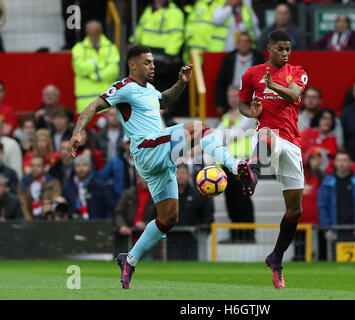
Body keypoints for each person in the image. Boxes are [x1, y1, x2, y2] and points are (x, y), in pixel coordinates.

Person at [68, 45, 248, 289]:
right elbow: (92, 106)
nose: (153, 66)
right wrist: (78, 133)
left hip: (157, 159)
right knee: (200, 127)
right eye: (147, 62)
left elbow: (165, 100)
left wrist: (182, 82)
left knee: (168, 217)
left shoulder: (150, 90)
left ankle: (129, 259)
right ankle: (238, 168)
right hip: (148, 148)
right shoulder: (124, 88)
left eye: (153, 62)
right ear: (133, 65)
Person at [237, 30, 309, 289]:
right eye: (280, 49)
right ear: (269, 49)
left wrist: (271, 86)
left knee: (295, 210)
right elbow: (242, 104)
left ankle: (276, 257)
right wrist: (252, 111)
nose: (286, 53)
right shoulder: (251, 74)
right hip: (269, 135)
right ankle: (253, 171)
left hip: (293, 143)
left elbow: (293, 94)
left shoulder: (299, 71)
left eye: (288, 49)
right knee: (266, 132)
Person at [216, 85, 255, 243]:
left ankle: (248, 234)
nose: (232, 99)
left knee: (242, 198)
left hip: (242, 162)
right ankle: (235, 234)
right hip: (227, 163)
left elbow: (233, 134)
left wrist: (228, 128)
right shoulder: (227, 117)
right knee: (230, 199)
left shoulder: (248, 114)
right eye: (230, 96)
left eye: (235, 96)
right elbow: (218, 137)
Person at [130, 0, 184, 92]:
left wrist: (170, 55)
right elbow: (140, 29)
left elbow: (176, 35)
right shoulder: (149, 10)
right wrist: (132, 42)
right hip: (147, 54)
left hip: (163, 58)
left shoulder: (174, 12)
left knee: (161, 91)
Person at [318, 149, 355, 242]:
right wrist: (327, 228)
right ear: (335, 162)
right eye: (339, 160)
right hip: (334, 231)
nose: (341, 163)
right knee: (333, 256)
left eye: (344, 160)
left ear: (350, 162)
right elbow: (322, 207)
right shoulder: (327, 183)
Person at [72, 20, 120, 113]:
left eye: (95, 33)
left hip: (106, 101)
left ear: (100, 33)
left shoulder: (111, 47)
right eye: (90, 34)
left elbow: (113, 71)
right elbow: (79, 68)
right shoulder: (79, 48)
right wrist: (101, 65)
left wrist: (93, 75)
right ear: (87, 33)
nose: (93, 36)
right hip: (85, 102)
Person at [169, 163, 214, 260]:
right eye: (178, 173)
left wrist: (204, 228)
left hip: (192, 239)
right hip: (172, 239)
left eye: (183, 173)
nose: (180, 176)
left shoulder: (198, 194)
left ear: (189, 175)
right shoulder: (168, 194)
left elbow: (207, 215)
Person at [215, 32, 265, 115]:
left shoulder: (259, 59)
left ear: (250, 43)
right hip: (233, 94)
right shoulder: (228, 59)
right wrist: (219, 103)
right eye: (241, 41)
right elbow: (221, 82)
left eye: (246, 41)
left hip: (251, 95)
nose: (243, 44)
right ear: (237, 43)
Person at [114, 174, 157, 257]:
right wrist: (122, 226)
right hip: (127, 238)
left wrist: (147, 224)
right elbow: (119, 212)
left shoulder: (157, 195)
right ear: (137, 178)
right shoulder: (128, 194)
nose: (144, 180)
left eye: (147, 177)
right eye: (142, 176)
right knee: (125, 264)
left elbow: (161, 216)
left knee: (148, 265)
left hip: (148, 240)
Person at [62, 155, 113, 220]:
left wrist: (105, 226)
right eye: (78, 166)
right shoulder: (67, 187)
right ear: (74, 168)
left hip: (96, 226)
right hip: (73, 225)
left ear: (90, 167)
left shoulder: (101, 187)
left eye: (84, 165)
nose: (81, 169)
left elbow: (109, 209)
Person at [17, 156, 62, 221]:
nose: (34, 168)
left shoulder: (53, 183)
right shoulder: (24, 183)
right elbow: (23, 205)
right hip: (29, 220)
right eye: (32, 166)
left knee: (59, 201)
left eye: (38, 166)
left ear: (44, 168)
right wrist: (30, 223)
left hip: (48, 218)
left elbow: (55, 199)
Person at [299, 108, 338, 173]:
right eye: (324, 118)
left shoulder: (333, 139)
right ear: (318, 119)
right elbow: (298, 153)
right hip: (305, 171)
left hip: (324, 175)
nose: (327, 121)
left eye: (330, 119)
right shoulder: (307, 133)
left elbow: (333, 160)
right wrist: (310, 161)